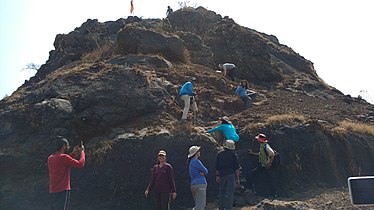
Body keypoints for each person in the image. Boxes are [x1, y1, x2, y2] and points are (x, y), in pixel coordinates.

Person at [48, 136, 85, 210]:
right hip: (63, 190)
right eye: (67, 145)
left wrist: (74, 153)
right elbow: (81, 164)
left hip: (53, 190)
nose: (68, 147)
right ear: (64, 146)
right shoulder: (64, 157)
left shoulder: (50, 158)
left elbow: (65, 163)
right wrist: (82, 152)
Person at [247, 133, 281, 199]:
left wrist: (269, 164)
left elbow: (272, 154)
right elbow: (262, 154)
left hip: (267, 165)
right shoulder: (263, 145)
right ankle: (272, 194)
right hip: (264, 165)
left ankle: (273, 194)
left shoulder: (266, 146)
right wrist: (253, 153)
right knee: (266, 177)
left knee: (269, 178)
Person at [215, 140, 241, 210]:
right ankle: (229, 208)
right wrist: (238, 179)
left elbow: (217, 166)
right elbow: (237, 168)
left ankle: (221, 208)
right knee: (230, 192)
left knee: (222, 192)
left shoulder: (219, 154)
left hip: (222, 175)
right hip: (231, 175)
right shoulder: (233, 155)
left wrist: (217, 176)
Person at [187, 146, 208, 210]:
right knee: (200, 206)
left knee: (197, 205)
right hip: (200, 184)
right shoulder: (196, 161)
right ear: (196, 153)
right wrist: (203, 173)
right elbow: (206, 171)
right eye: (198, 151)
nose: (199, 152)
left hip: (193, 184)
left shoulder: (190, 162)